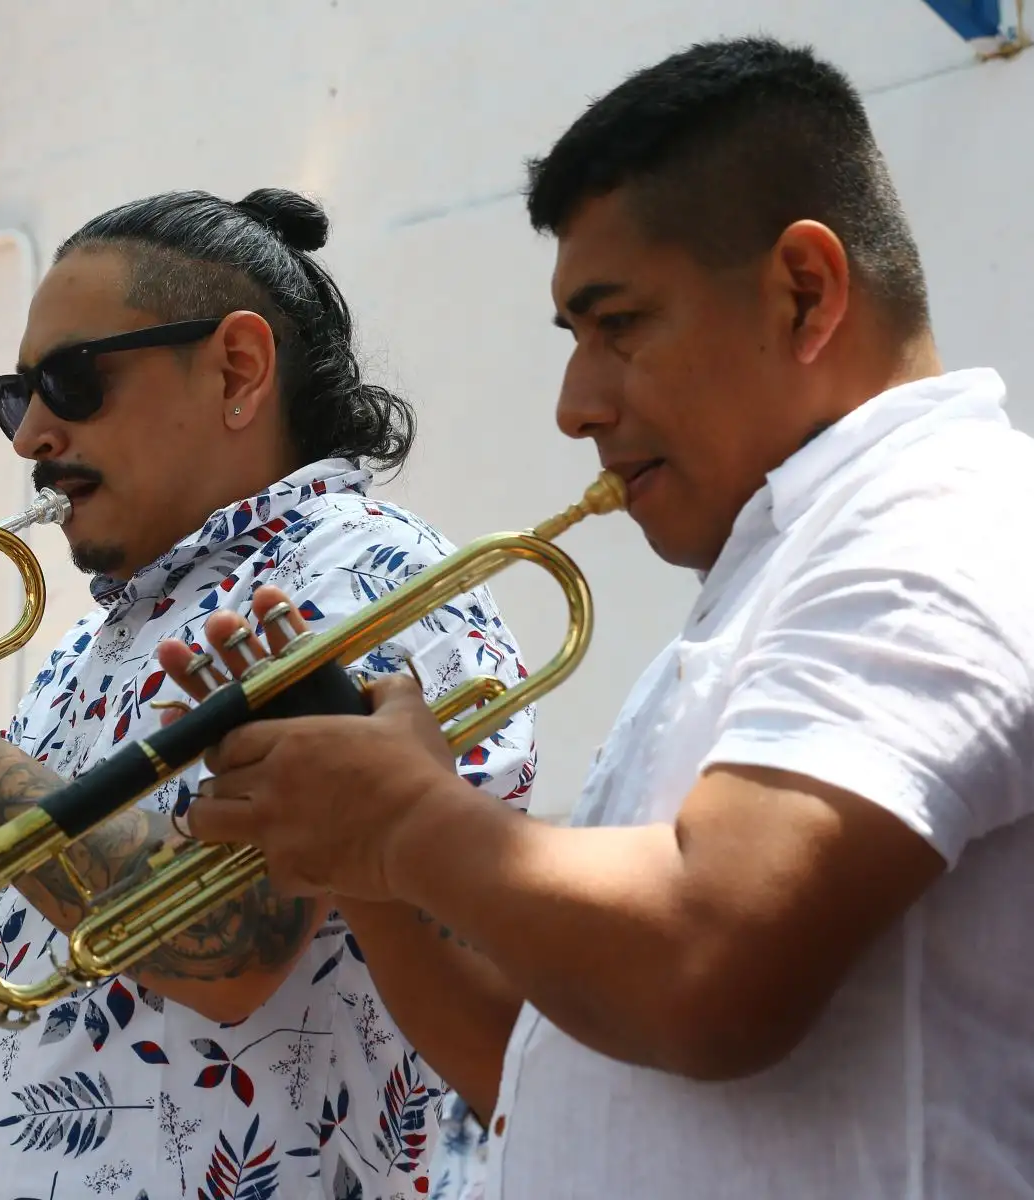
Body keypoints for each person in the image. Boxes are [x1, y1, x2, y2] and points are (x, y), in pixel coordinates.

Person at [155, 37, 1034, 1199]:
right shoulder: (776, 577)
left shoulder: (940, 523)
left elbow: (707, 966)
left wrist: (406, 821)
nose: (578, 405)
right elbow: (522, 1063)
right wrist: (361, 861)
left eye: (618, 325)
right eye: (574, 340)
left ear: (806, 293)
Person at [0, 188, 539, 1199]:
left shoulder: (370, 583)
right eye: (16, 396)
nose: (31, 435)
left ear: (238, 369)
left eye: (69, 380)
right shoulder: (96, 643)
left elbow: (229, 950)